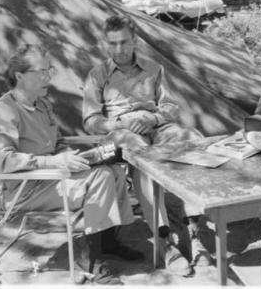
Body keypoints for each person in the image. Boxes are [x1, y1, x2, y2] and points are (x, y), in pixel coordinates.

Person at [0, 44, 143, 285]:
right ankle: (91, 257)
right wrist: (54, 161)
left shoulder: (42, 105)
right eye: (42, 71)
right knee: (100, 178)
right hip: (25, 189)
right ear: (19, 76)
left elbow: (57, 143)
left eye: (50, 70)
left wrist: (75, 157)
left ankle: (108, 242)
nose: (48, 76)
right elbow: (2, 160)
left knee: (113, 170)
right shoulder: (4, 109)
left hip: (53, 178)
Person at [82, 15, 211, 275]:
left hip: (155, 127)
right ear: (105, 43)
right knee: (142, 156)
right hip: (121, 135)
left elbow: (171, 107)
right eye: (113, 43)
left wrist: (152, 117)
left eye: (124, 42)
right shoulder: (97, 75)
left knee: (191, 139)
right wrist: (120, 124)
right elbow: (90, 121)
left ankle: (195, 229)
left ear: (135, 41)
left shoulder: (153, 69)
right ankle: (165, 243)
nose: (119, 49)